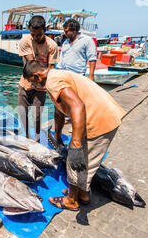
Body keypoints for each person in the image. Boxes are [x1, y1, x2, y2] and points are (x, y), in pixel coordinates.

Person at [22, 60, 126, 211]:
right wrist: (57, 136)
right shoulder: (56, 77)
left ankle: (71, 200)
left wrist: (75, 143)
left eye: (32, 82)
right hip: (106, 114)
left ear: (37, 76)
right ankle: (82, 194)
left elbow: (77, 105)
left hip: (99, 119)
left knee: (75, 161)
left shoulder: (52, 82)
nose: (34, 86)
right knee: (86, 161)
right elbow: (60, 112)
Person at [18, 15, 59, 141]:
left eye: (39, 34)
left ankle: (36, 138)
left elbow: (51, 69)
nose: (36, 37)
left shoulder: (52, 46)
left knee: (37, 116)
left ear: (45, 30)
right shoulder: (25, 41)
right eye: (33, 34)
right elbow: (32, 66)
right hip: (25, 84)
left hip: (41, 87)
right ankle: (26, 137)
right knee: (22, 113)